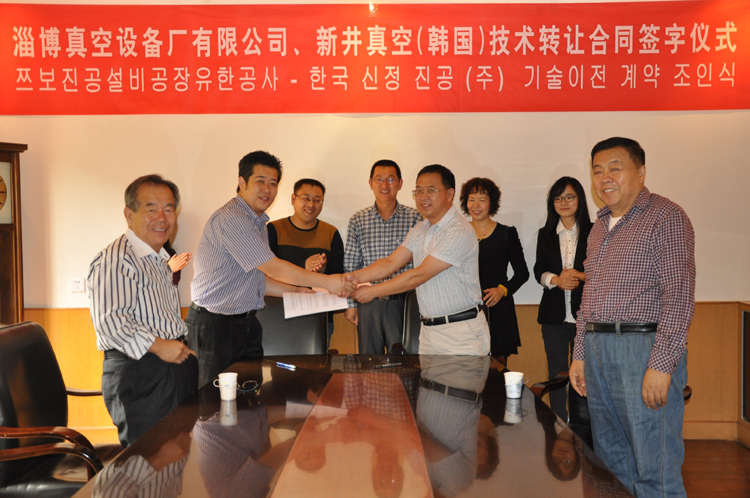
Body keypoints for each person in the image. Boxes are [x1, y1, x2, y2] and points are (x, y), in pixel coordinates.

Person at [569, 137, 695, 498]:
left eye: (615, 168)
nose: (604, 178)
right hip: (597, 349)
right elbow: (589, 298)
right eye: (597, 171)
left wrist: (662, 364)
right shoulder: (598, 228)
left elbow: (679, 295)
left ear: (640, 173)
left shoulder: (666, 216)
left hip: (642, 351)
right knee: (611, 465)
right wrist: (580, 354)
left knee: (655, 467)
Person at [188, 151, 355, 388]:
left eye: (273, 183)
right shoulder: (233, 219)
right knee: (214, 400)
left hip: (246, 323)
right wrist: (329, 282)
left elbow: (258, 280)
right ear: (242, 182)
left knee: (249, 395)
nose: (267, 189)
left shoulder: (258, 223)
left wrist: (297, 291)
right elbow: (273, 268)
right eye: (261, 181)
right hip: (215, 325)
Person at [87, 174, 198, 447]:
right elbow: (112, 323)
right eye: (151, 209)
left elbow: (161, 318)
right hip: (141, 372)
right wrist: (161, 347)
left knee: (178, 454)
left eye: (169, 209)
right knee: (148, 459)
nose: (162, 218)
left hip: (169, 364)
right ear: (129, 215)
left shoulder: (158, 258)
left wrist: (182, 348)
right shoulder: (116, 259)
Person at [351, 164, 490, 355]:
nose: (423, 197)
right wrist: (352, 278)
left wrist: (372, 292)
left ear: (450, 194)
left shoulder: (459, 231)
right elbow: (390, 263)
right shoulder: (420, 229)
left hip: (460, 332)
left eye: (431, 190)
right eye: (419, 191)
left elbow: (419, 276)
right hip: (428, 332)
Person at [343, 159, 422, 354]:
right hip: (368, 303)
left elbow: (421, 265)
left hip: (403, 303)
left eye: (390, 179)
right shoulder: (358, 220)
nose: (384, 185)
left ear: (400, 183)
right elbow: (351, 265)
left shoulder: (415, 218)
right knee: (369, 362)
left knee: (404, 362)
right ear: (370, 183)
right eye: (379, 179)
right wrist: (351, 305)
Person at [533, 176, 592, 421]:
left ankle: (582, 424)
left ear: (580, 199)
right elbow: (539, 270)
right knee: (557, 374)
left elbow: (604, 271)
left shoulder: (595, 231)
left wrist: (580, 275)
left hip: (586, 317)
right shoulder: (545, 234)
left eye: (569, 197)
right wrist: (556, 280)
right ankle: (558, 424)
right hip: (553, 318)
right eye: (558, 198)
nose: (564, 202)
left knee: (585, 373)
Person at [460, 177, 529, 363]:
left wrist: (502, 290)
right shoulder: (459, 234)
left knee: (497, 369)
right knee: (466, 369)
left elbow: (522, 273)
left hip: (498, 309)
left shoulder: (506, 234)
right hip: (466, 310)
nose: (476, 205)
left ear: (492, 203)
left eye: (482, 199)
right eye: (471, 199)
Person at [267, 178, 344, 344]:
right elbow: (268, 270)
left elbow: (340, 272)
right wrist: (303, 265)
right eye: (306, 198)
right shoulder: (273, 229)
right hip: (278, 313)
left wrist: (323, 269)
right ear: (293, 199)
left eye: (317, 200)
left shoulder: (331, 232)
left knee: (317, 358)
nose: (311, 204)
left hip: (320, 315)